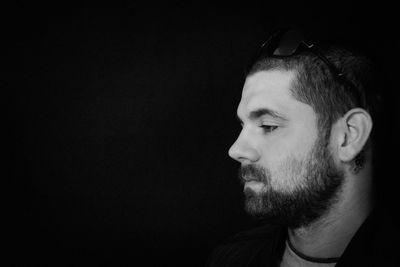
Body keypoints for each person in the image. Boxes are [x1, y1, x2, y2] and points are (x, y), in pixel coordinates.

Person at [206, 28, 398, 266]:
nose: (236, 150)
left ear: (349, 136)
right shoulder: (230, 260)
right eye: (243, 125)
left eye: (268, 126)